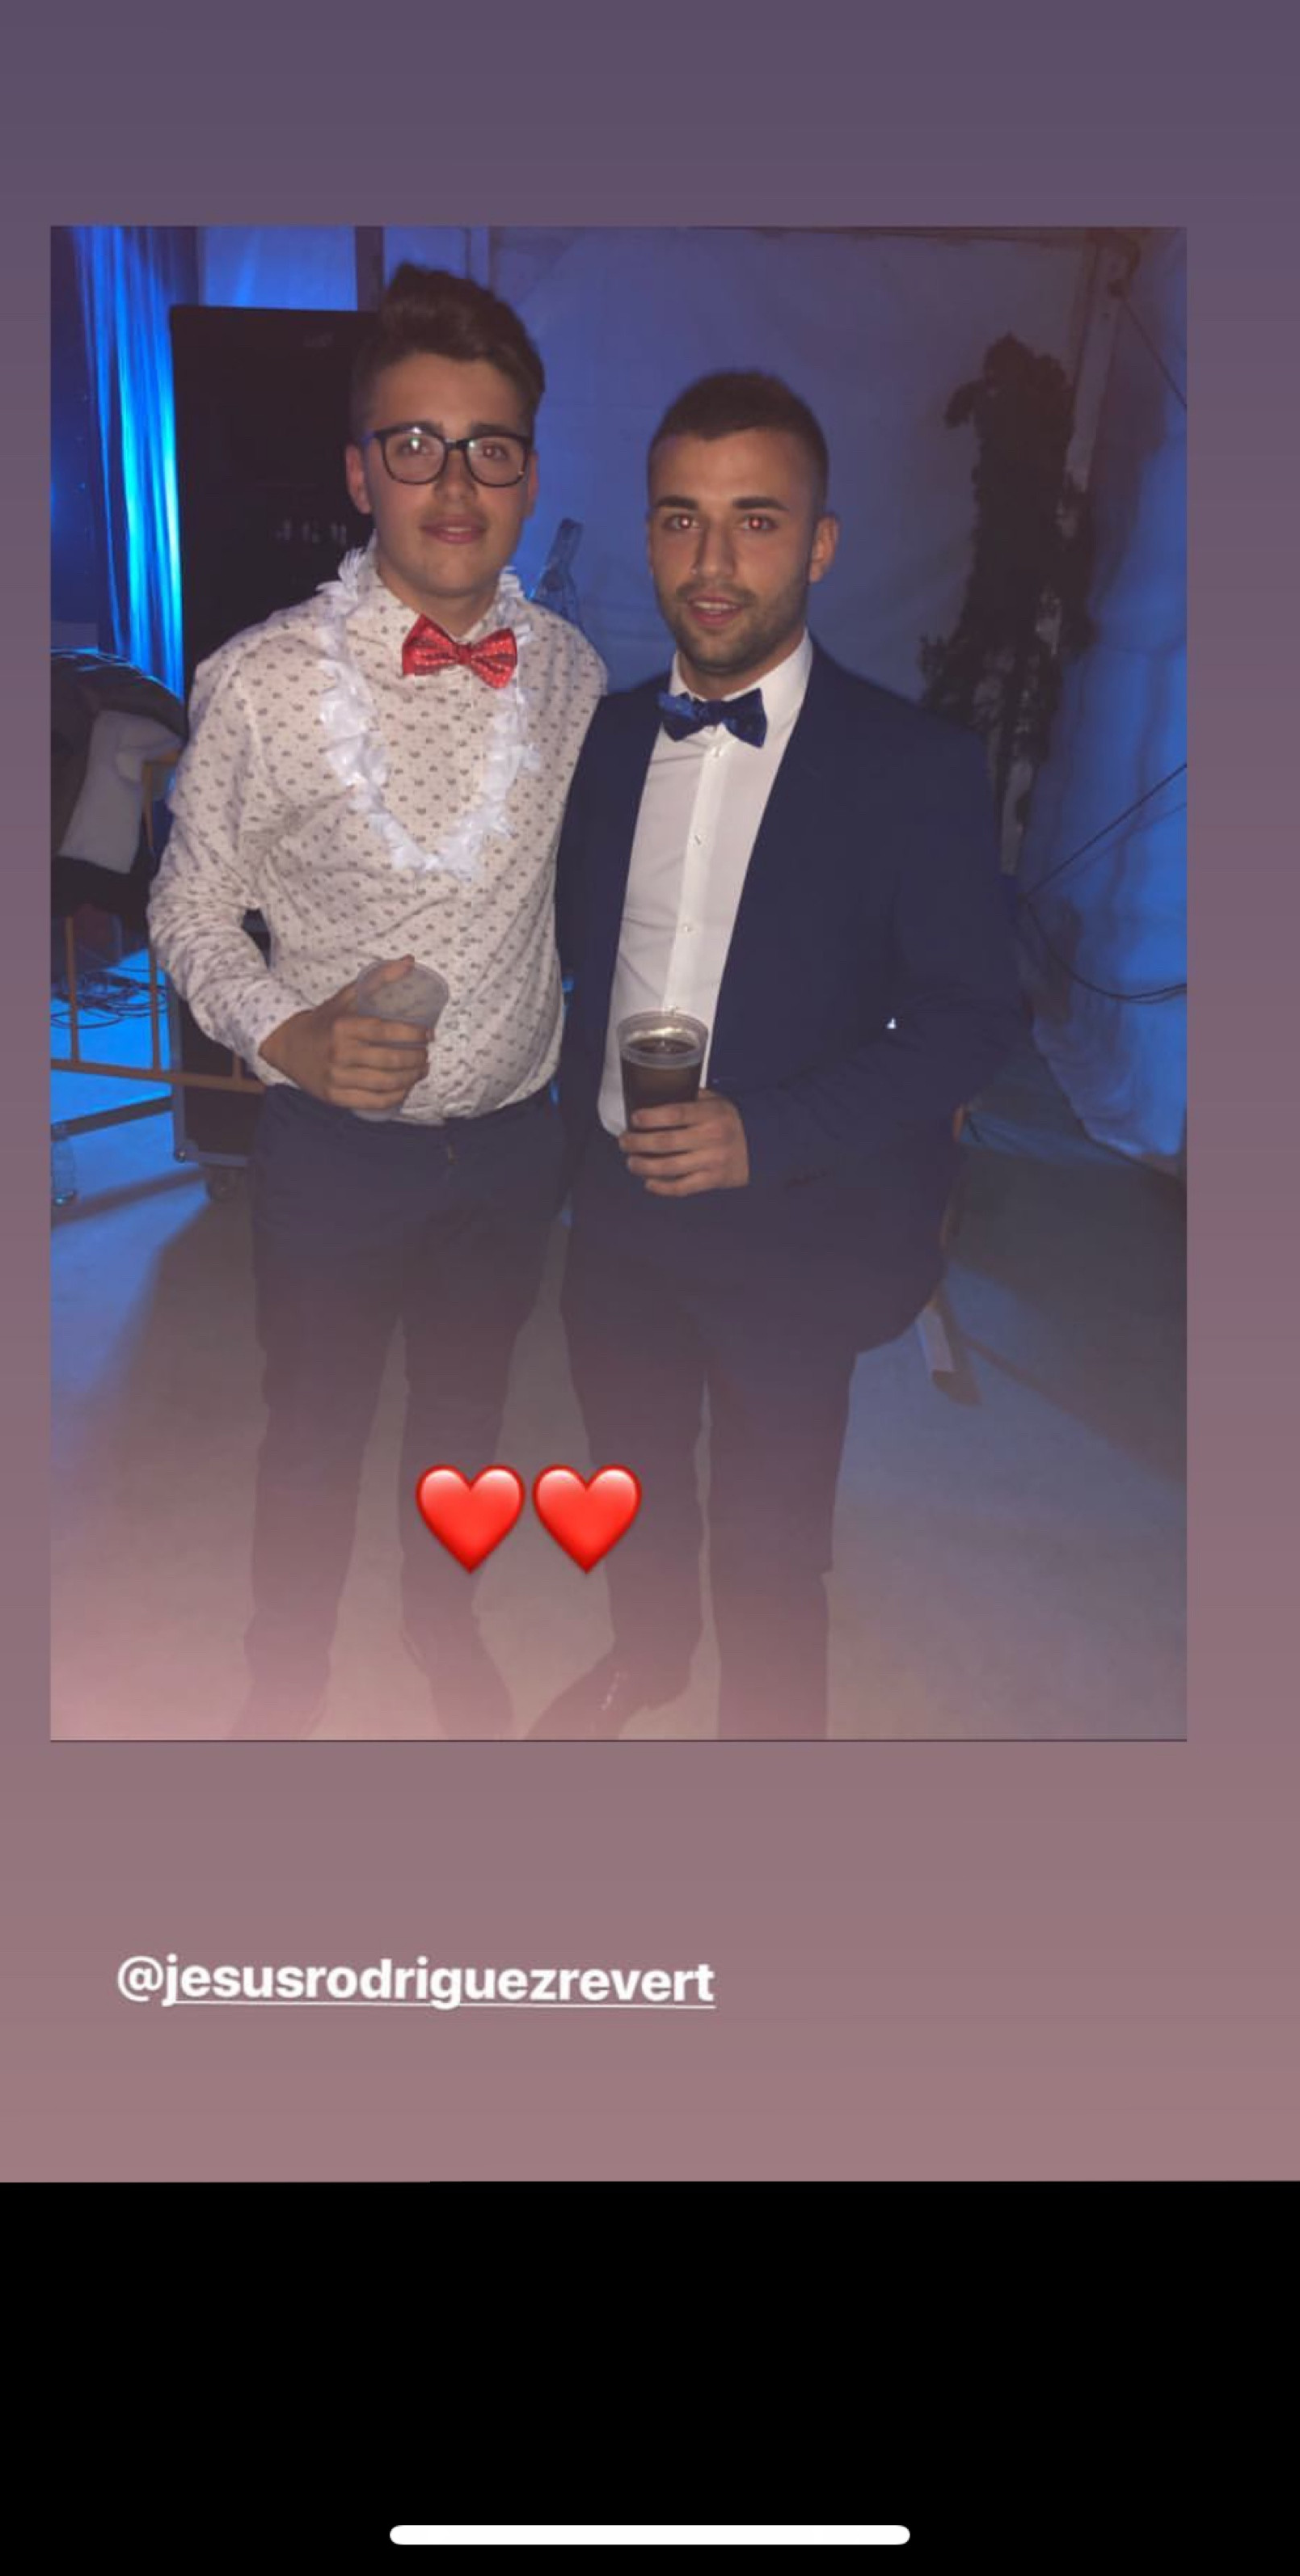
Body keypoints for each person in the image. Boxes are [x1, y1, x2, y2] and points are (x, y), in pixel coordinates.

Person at [148, 262, 605, 1737]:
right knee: (314, 1427)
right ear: (360, 472)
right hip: (335, 1156)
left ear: (529, 474)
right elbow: (186, 906)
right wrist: (284, 1031)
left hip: (515, 1143)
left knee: (465, 1421)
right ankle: (282, 1671)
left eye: (490, 447)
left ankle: (436, 1617)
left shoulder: (573, 674)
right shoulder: (260, 684)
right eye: (415, 443)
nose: (453, 483)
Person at [533, 371, 1024, 1742]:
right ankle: (648, 1657)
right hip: (617, 1205)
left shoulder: (915, 767)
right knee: (628, 1470)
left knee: (770, 1530)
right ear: (648, 534)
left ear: (819, 544)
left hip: (795, 1222)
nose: (712, 559)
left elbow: (974, 1019)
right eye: (680, 518)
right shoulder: (608, 740)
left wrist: (771, 1129)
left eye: (756, 520)